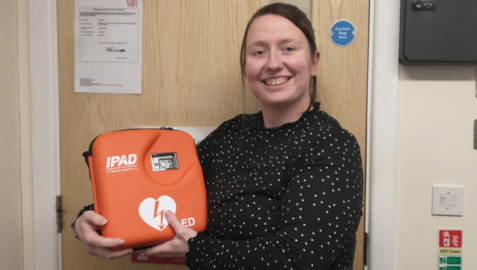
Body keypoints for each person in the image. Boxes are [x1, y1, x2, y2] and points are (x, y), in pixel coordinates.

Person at [72, 3, 364, 269]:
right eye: (259, 51)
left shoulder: (332, 145)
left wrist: (194, 250)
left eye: (288, 48)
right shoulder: (231, 135)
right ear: (246, 65)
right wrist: (88, 221)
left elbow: (298, 260)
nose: (273, 63)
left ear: (314, 63)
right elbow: (158, 192)